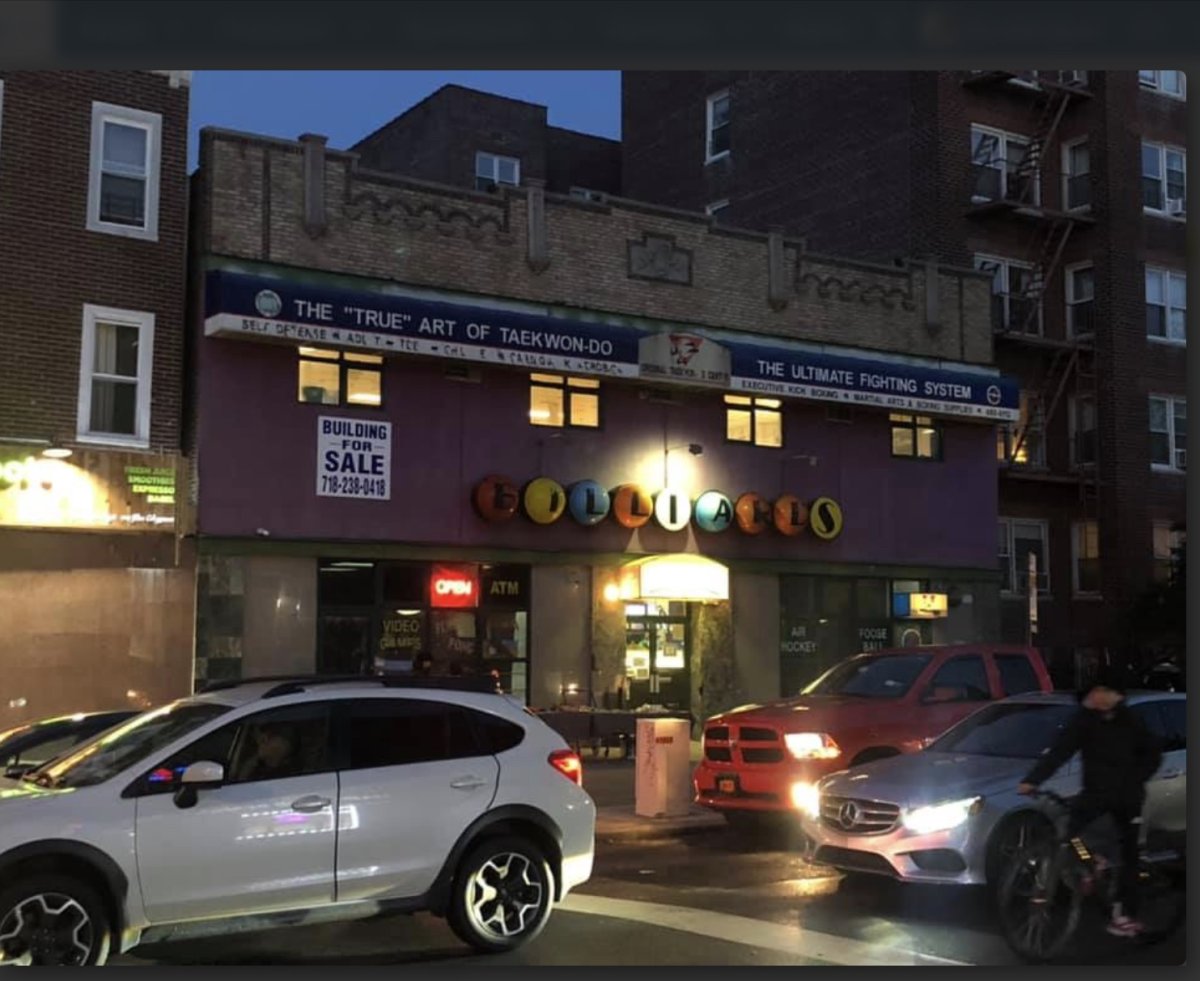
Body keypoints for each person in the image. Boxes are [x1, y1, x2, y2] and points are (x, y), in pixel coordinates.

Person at [1017, 671, 1163, 938]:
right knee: (1067, 832)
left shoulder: (1131, 721)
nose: (1096, 697)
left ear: (1114, 695)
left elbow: (1153, 755)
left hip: (1126, 797)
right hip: (1095, 793)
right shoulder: (1085, 721)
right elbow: (1061, 750)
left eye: (1101, 692)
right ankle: (1090, 865)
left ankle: (1125, 914)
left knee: (1128, 854)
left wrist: (1132, 780)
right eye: (1094, 692)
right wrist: (1032, 780)